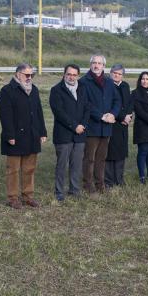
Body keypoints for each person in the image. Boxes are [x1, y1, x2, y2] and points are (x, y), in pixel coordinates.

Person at [0, 63, 47, 208]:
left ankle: (28, 196)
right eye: (27, 75)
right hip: (15, 136)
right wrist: (9, 135)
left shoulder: (34, 90)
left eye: (31, 75)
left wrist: (42, 132)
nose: (29, 77)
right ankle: (12, 198)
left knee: (29, 168)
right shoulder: (7, 91)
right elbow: (5, 116)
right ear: (18, 74)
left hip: (32, 135)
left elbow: (39, 112)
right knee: (13, 169)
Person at [79, 54, 121, 194]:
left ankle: (100, 184)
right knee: (89, 158)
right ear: (90, 64)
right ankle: (88, 185)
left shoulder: (109, 82)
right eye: (94, 63)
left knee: (101, 158)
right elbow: (85, 104)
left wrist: (113, 114)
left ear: (104, 66)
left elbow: (117, 100)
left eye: (99, 63)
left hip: (107, 127)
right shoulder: (84, 81)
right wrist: (101, 116)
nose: (96, 66)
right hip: (92, 126)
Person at [49, 64, 90, 201]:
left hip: (80, 134)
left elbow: (87, 108)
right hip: (64, 134)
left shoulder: (83, 88)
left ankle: (74, 190)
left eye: (74, 74)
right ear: (64, 74)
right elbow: (59, 112)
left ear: (78, 75)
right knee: (62, 164)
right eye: (69, 74)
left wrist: (83, 125)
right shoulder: (56, 90)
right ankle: (59, 191)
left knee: (76, 164)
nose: (71, 77)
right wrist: (74, 126)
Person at [105, 64, 133, 188]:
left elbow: (129, 103)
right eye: (115, 73)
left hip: (123, 125)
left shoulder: (125, 86)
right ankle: (109, 180)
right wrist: (122, 117)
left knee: (121, 152)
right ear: (110, 73)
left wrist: (129, 116)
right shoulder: (107, 85)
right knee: (110, 153)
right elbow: (109, 105)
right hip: (112, 123)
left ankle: (119, 179)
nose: (117, 75)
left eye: (119, 74)